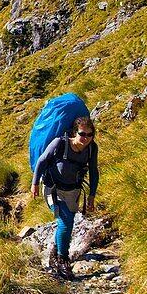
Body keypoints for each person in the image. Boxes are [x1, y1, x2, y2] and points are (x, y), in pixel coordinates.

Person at [31, 116, 99, 280]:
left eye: (90, 135)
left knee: (66, 223)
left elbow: (94, 171)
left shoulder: (91, 149)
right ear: (75, 132)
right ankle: (63, 260)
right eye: (82, 134)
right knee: (66, 220)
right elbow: (42, 161)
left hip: (72, 191)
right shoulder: (59, 143)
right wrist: (34, 184)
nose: (85, 139)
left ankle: (55, 254)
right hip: (51, 188)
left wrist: (91, 195)